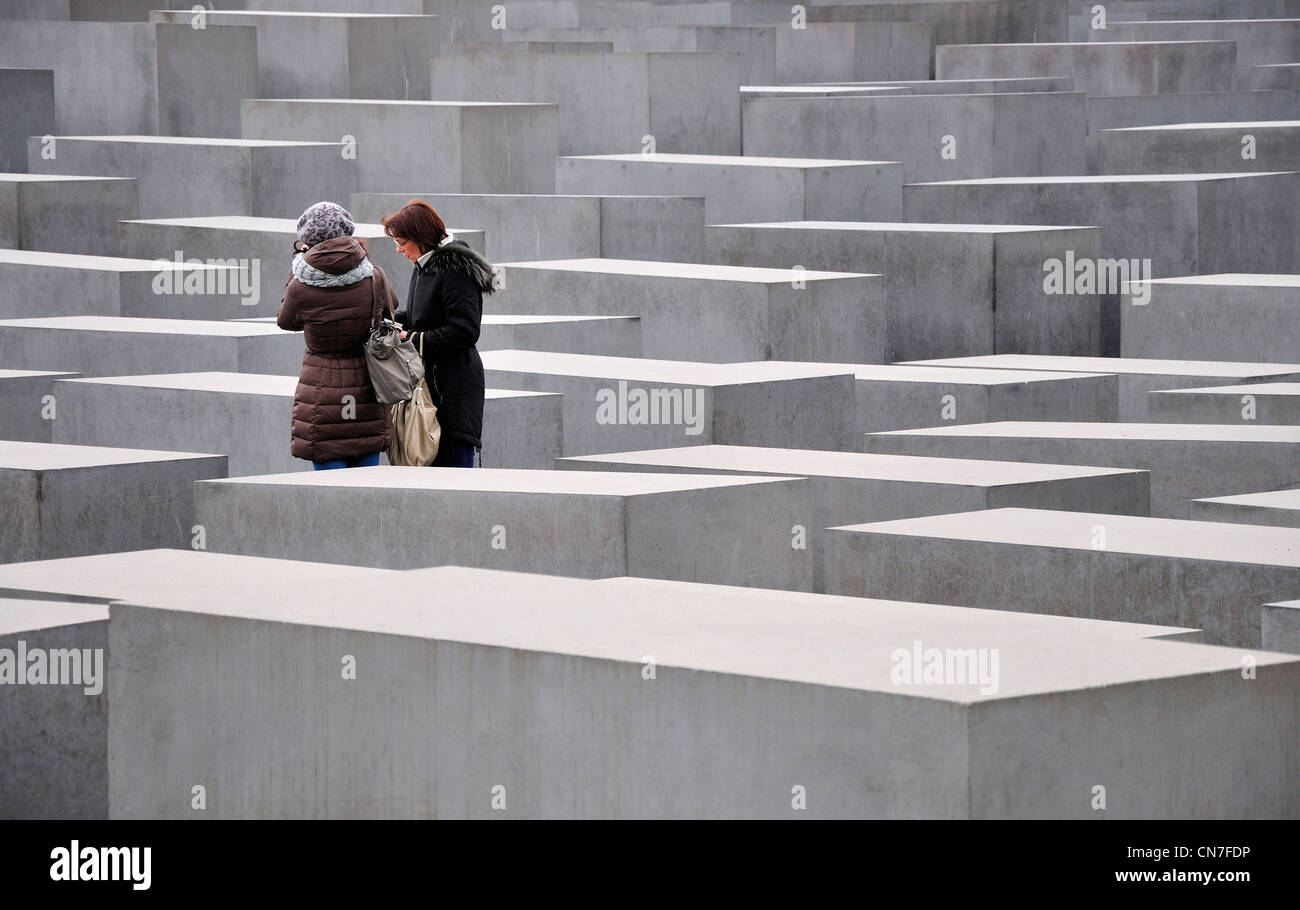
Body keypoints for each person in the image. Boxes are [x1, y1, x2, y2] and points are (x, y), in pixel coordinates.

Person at [277, 201, 394, 470]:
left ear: (307, 240)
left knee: (329, 489)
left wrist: (296, 271)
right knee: (367, 479)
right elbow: (390, 307)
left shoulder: (300, 284)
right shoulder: (373, 276)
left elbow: (286, 321)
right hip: (366, 382)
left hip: (321, 384)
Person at [381, 199, 496, 468]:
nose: (398, 250)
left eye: (402, 242)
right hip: (432, 389)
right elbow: (419, 316)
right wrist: (385, 321)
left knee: (454, 485)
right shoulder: (425, 264)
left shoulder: (454, 266)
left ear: (421, 237)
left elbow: (465, 330)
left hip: (453, 395)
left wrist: (412, 340)